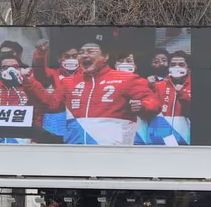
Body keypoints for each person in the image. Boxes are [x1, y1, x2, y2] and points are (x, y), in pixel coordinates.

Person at [17, 41, 161, 145]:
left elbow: (153, 103)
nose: (84, 55)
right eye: (81, 52)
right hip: (77, 150)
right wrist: (30, 82)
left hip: (115, 152)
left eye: (91, 51)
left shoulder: (126, 78)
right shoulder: (69, 82)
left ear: (105, 57)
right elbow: (51, 104)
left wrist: (142, 106)